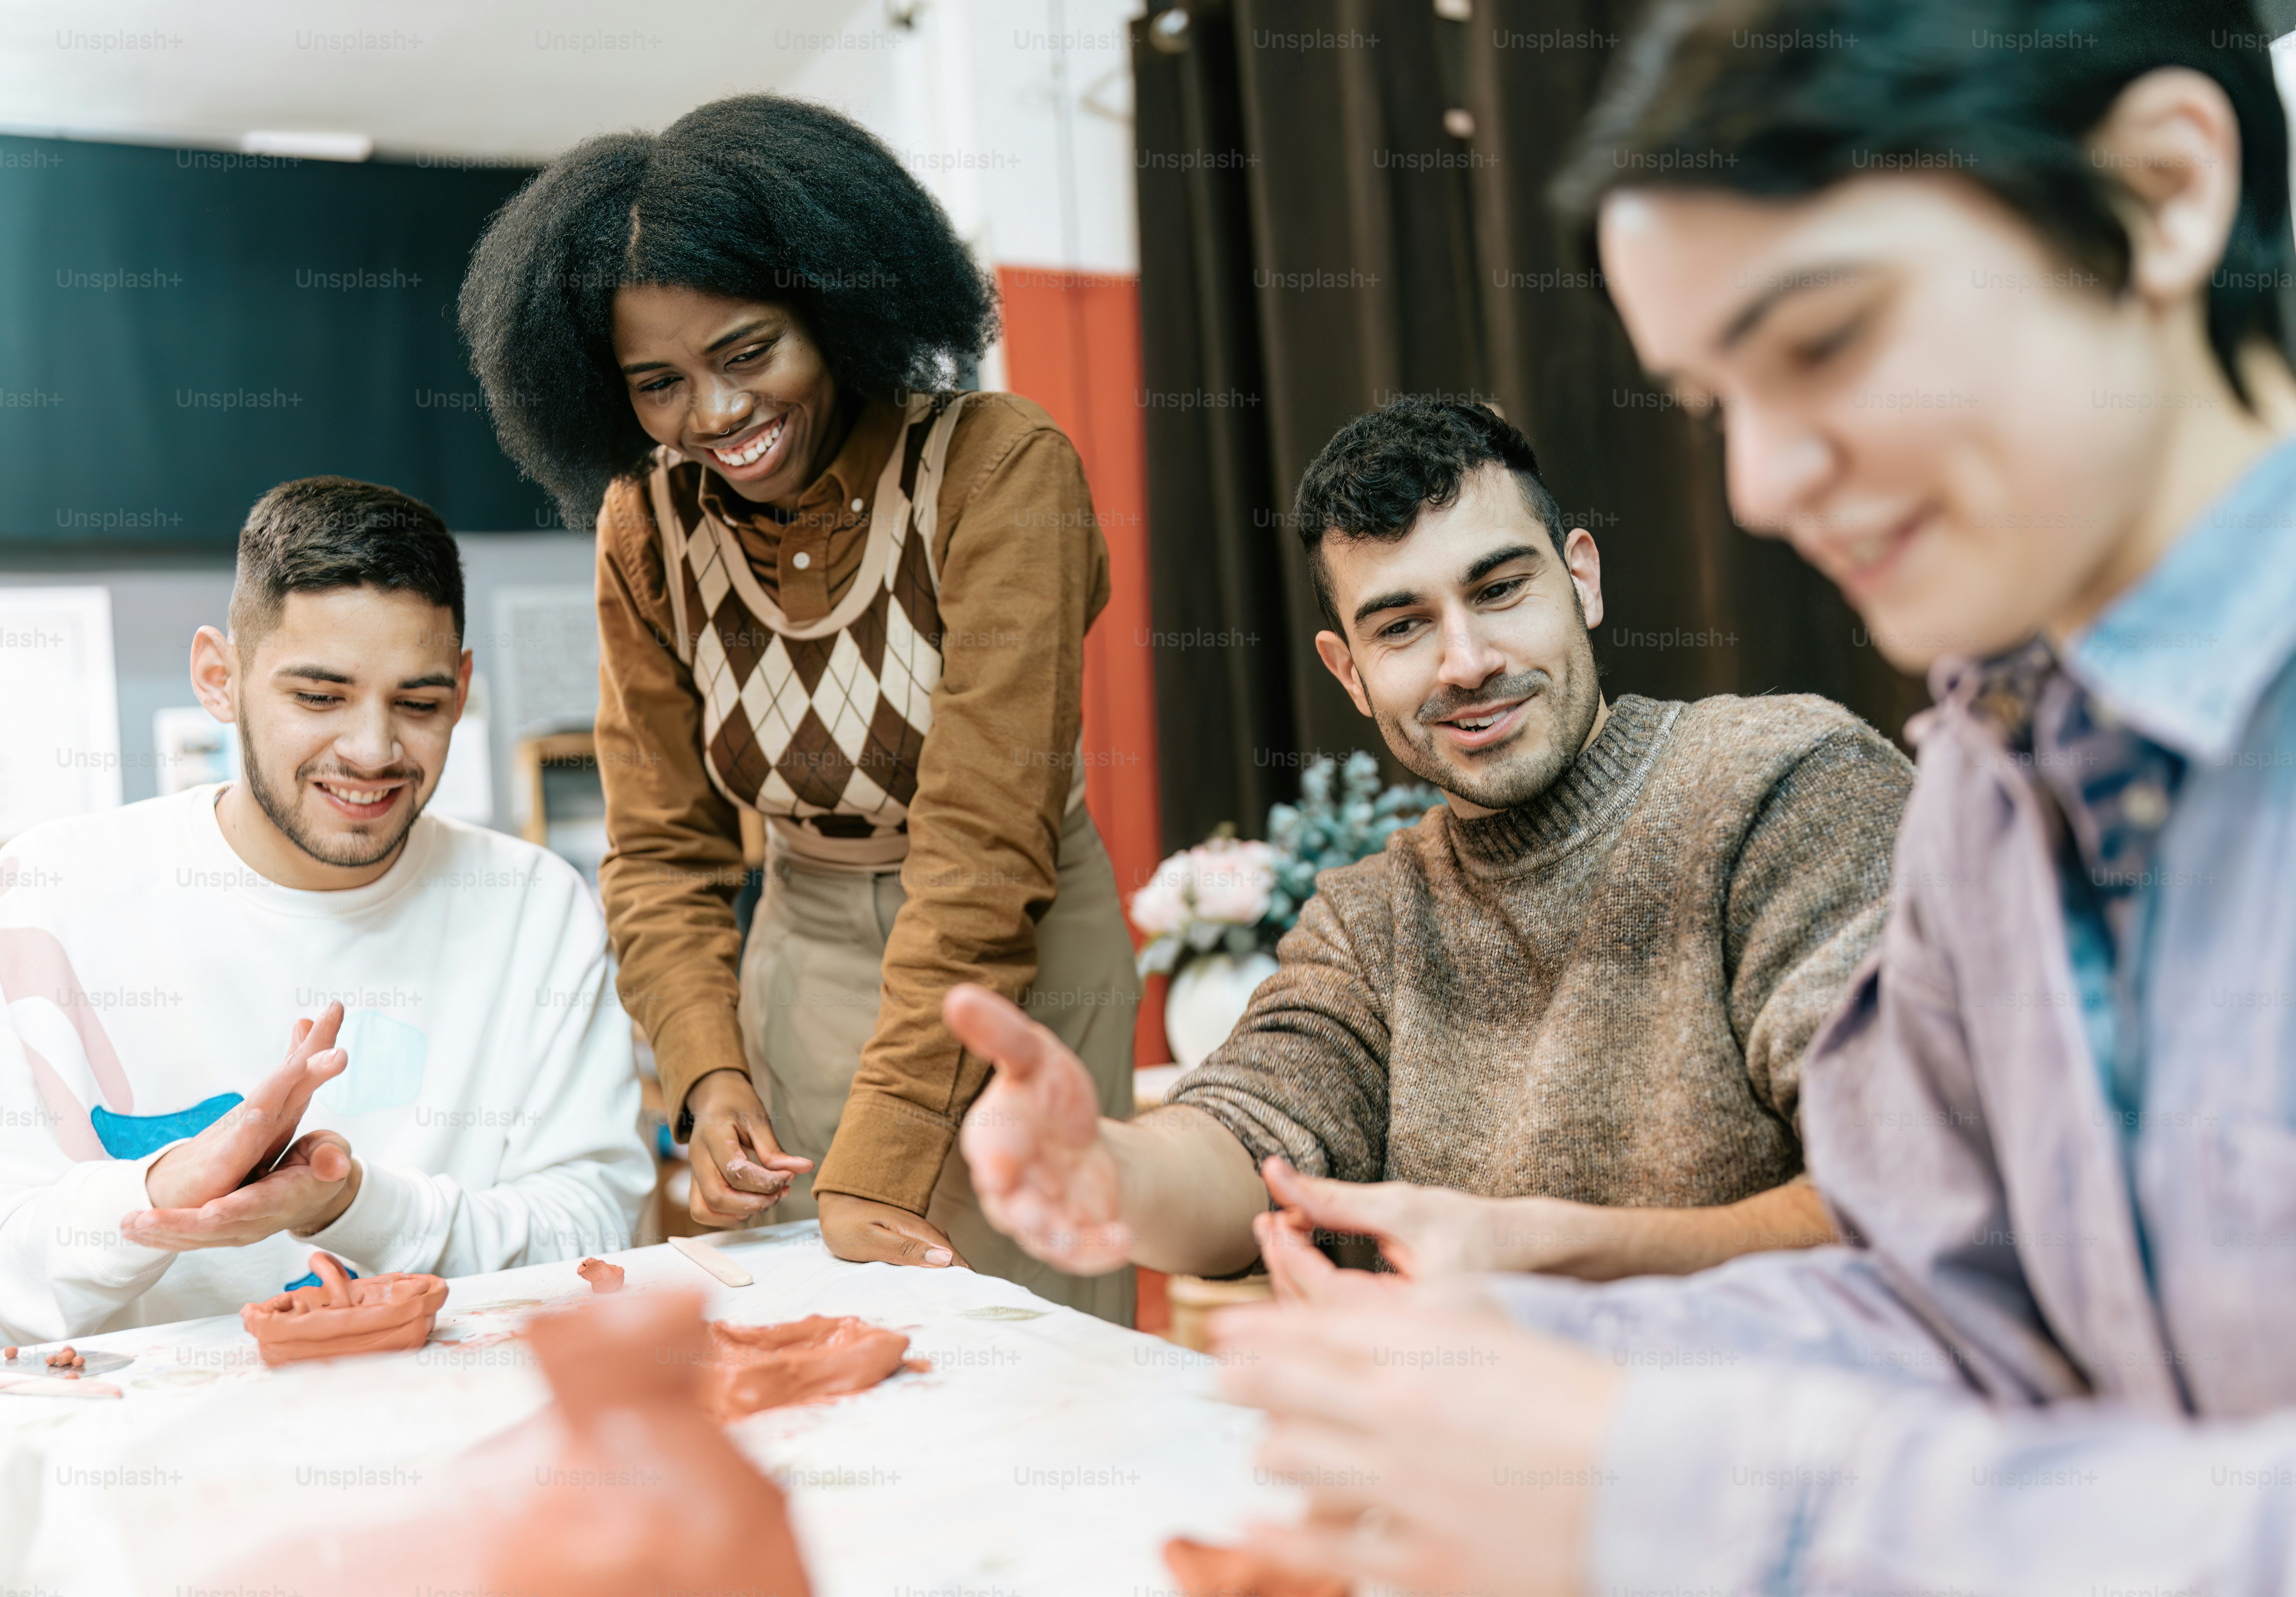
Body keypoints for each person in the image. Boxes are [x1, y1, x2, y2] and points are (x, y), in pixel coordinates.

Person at [1190, 3, 2296, 1593]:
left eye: (1827, 339)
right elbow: (1935, 1301)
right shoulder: (1996, 773)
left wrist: (1674, 1493)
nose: (1758, 488)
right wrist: (1516, 1364)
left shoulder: (1793, 781)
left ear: (2162, 190)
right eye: (1714, 403)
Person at [946, 396, 1914, 1285]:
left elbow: (1920, 1194)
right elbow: (1246, 1139)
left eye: (1497, 589)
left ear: (1580, 577)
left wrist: (1543, 1263)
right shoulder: (1369, 918)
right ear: (1350, 672)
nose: (1465, 662)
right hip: (1458, 1455)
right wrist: (1105, 1166)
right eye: (1402, 625)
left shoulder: (1785, 783)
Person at [459, 95, 1138, 1321]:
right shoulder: (646, 527)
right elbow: (663, 852)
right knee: (820, 1353)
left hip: (1017, 953)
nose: (713, 415)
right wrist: (707, 1077)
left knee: (1030, 1336)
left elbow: (986, 847)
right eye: (657, 383)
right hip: (801, 953)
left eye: (748, 352)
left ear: (838, 307)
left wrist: (885, 1147)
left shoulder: (1000, 468)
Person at [0, 478, 650, 1340]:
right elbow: (14, 1273)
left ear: (459, 691)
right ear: (218, 679)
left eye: (417, 704)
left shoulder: (532, 906)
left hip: (460, 1431)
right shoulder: (52, 893)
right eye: (319, 697)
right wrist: (163, 1191)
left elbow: (596, 1237)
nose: (374, 751)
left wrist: (356, 1202)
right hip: (151, 1444)